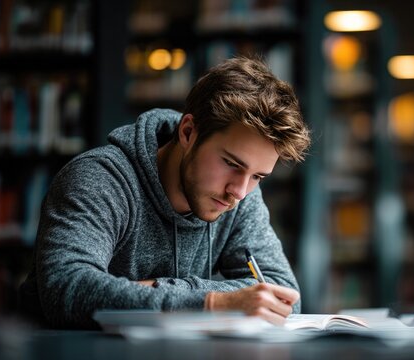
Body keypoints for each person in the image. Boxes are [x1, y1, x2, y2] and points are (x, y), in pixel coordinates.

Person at [18, 56, 311, 329]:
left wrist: (162, 289)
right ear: (187, 132)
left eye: (258, 176)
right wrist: (209, 302)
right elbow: (67, 288)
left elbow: (283, 297)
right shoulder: (100, 179)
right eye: (231, 163)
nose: (239, 191)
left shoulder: (239, 196)